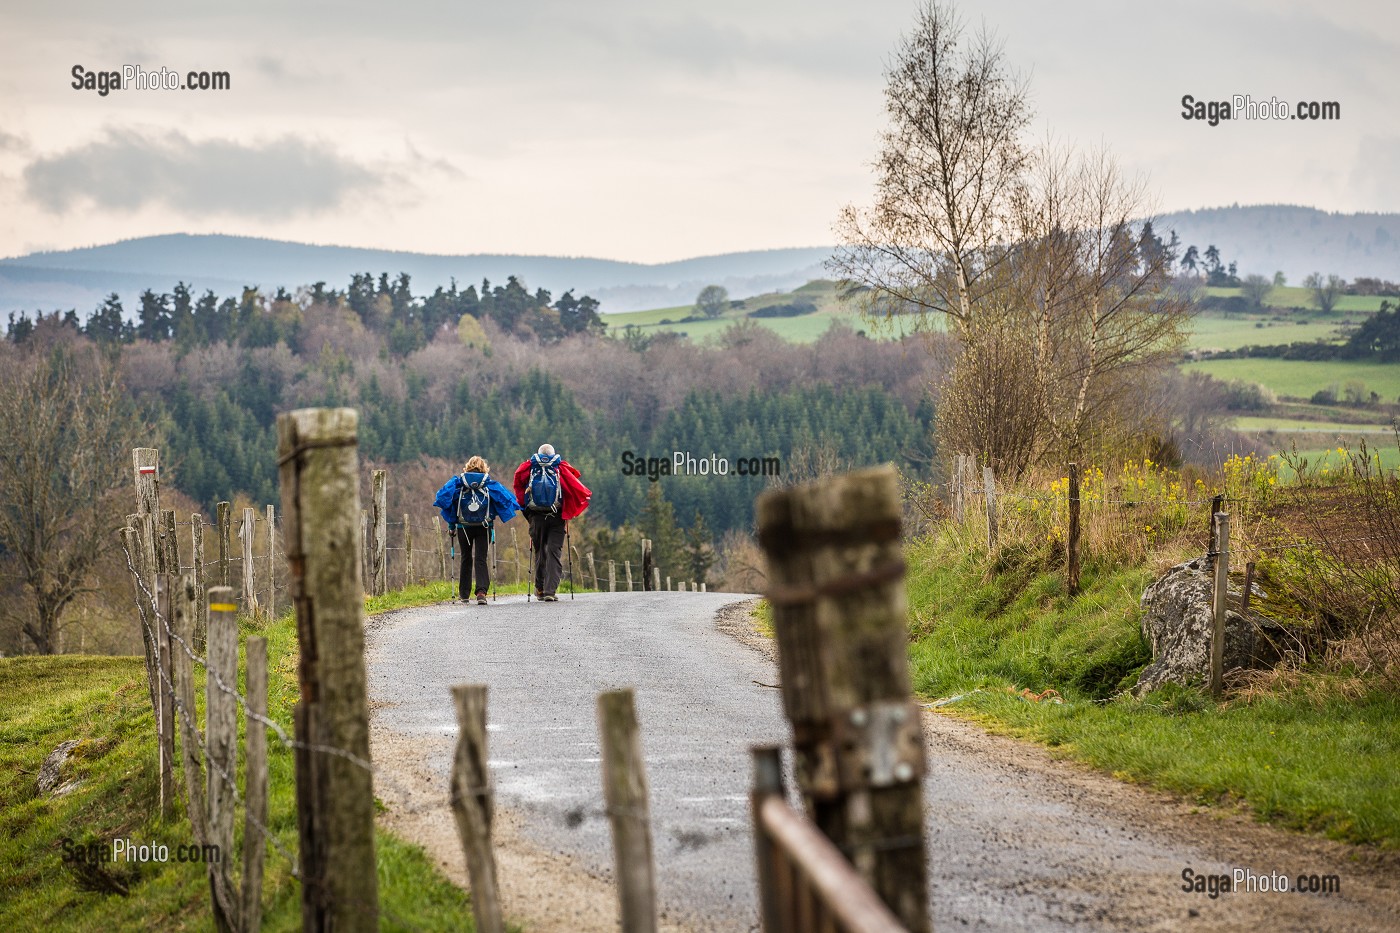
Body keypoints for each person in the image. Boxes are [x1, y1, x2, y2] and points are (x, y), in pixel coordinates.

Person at [434, 456, 520, 605]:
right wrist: (493, 517)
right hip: (483, 527)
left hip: (463, 527)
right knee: (481, 558)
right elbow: (504, 500)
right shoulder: (488, 485)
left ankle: (464, 594)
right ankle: (481, 592)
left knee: (466, 558)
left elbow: (451, 506)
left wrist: (451, 526)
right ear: (483, 468)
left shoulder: (460, 484)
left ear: (467, 467)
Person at [513, 443, 590, 601]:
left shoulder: (529, 466)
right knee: (554, 553)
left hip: (536, 516)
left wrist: (526, 511)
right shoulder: (560, 467)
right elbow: (573, 488)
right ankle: (550, 591)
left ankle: (540, 589)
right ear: (553, 453)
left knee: (540, 552)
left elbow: (518, 487)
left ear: (539, 453)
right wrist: (569, 510)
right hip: (556, 517)